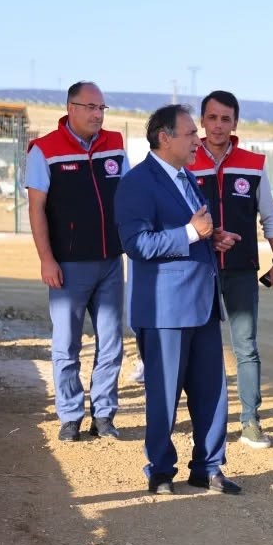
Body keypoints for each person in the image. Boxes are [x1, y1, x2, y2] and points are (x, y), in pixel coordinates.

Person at [116, 104, 241, 496]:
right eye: (189, 134)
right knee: (164, 393)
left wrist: (212, 236)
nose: (197, 140)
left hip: (202, 302)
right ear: (164, 138)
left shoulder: (188, 178)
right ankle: (161, 469)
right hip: (164, 308)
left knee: (212, 390)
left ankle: (209, 467)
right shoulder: (137, 183)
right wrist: (190, 232)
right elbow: (136, 244)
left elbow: (194, 231)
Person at [25, 82, 128, 442]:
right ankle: (70, 416)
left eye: (102, 108)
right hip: (68, 266)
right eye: (90, 107)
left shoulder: (114, 144)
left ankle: (104, 415)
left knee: (112, 342)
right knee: (66, 344)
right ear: (70, 108)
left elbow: (128, 194)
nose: (97, 115)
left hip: (112, 263)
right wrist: (46, 259)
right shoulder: (45, 150)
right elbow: (36, 208)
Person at [188, 90, 273, 449]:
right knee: (201, 348)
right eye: (211, 118)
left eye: (225, 119)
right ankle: (205, 420)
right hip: (198, 270)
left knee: (245, 347)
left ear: (235, 123)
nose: (218, 126)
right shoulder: (186, 158)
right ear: (202, 121)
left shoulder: (253, 163)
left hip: (242, 270)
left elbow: (270, 216)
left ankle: (250, 422)